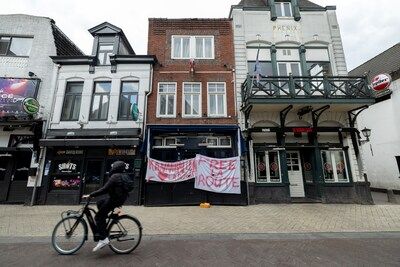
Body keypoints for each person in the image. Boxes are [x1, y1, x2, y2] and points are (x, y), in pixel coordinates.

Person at [82, 161, 130, 252]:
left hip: (114, 200)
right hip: (119, 199)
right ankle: (108, 219)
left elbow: (104, 189)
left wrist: (91, 195)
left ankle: (103, 239)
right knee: (99, 203)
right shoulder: (123, 175)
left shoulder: (115, 177)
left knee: (98, 217)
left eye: (113, 166)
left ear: (116, 167)